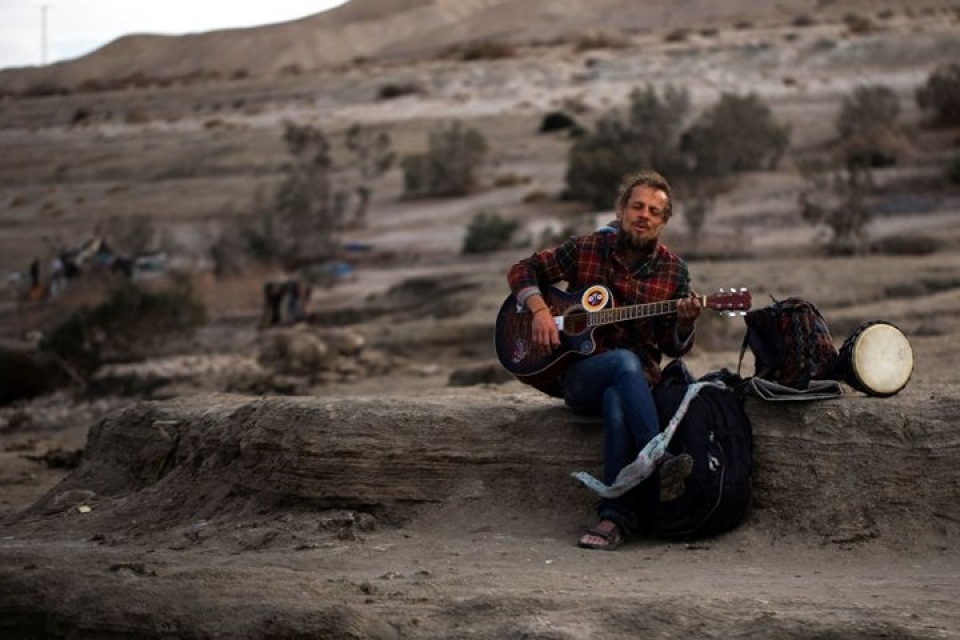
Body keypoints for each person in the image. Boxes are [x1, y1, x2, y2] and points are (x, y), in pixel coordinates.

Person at [506, 169, 702, 551]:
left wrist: (684, 323)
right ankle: (659, 461)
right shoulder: (587, 248)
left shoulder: (673, 272)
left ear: (663, 222)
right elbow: (522, 269)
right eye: (637, 206)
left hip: (636, 383)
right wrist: (541, 310)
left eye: (654, 211)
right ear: (622, 209)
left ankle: (614, 517)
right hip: (579, 376)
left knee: (618, 400)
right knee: (622, 363)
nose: (643, 215)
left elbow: (672, 346)